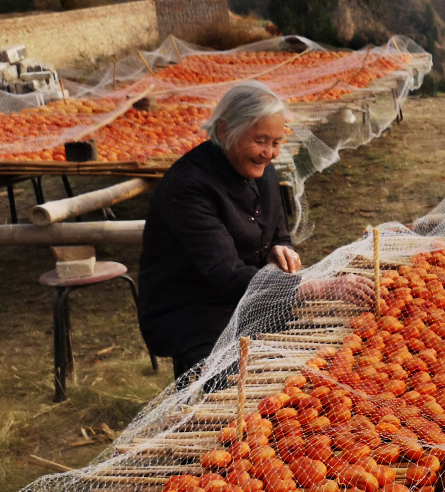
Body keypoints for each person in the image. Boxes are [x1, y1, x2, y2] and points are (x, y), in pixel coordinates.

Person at [138, 81, 370, 382]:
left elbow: (277, 230)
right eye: (260, 141)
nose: (269, 153)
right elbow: (228, 275)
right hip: (197, 315)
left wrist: (280, 247)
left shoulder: (261, 169)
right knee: (226, 403)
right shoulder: (188, 188)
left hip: (249, 302)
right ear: (224, 131)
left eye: (276, 142)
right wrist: (318, 287)